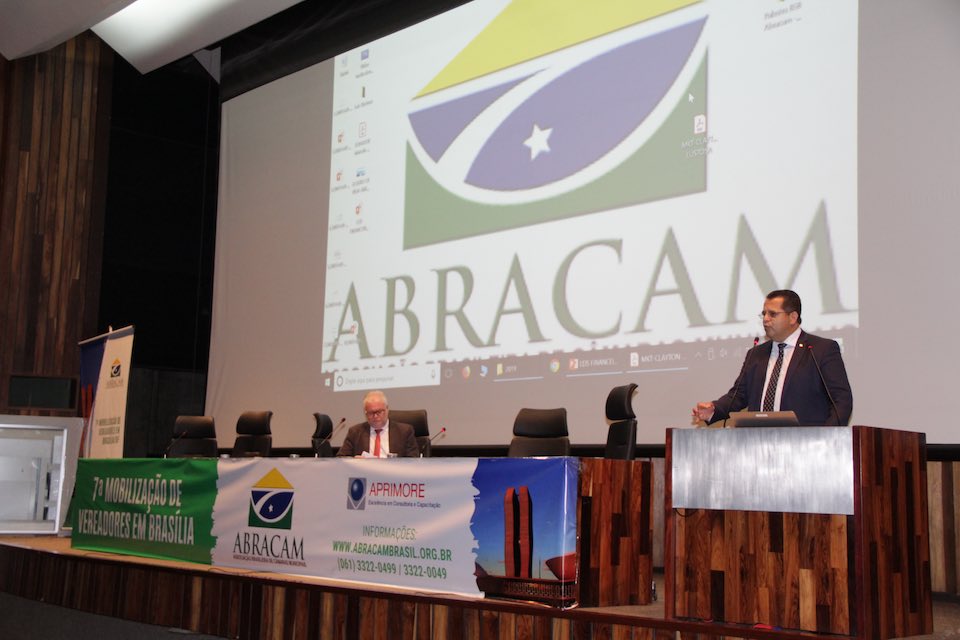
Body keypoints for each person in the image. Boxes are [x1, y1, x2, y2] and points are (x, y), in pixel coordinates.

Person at [692, 289, 852, 426]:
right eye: (764, 314)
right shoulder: (756, 354)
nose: (765, 319)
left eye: (773, 314)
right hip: (759, 441)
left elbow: (841, 401)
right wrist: (714, 409)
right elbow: (738, 396)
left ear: (793, 317)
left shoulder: (820, 349)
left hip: (806, 444)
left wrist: (826, 438)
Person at [337, 390, 420, 457]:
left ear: (387, 409)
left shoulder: (404, 431)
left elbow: (413, 460)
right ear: (365, 413)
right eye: (371, 413)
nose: (375, 416)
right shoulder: (355, 432)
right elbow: (341, 458)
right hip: (365, 472)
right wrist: (355, 461)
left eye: (379, 412)